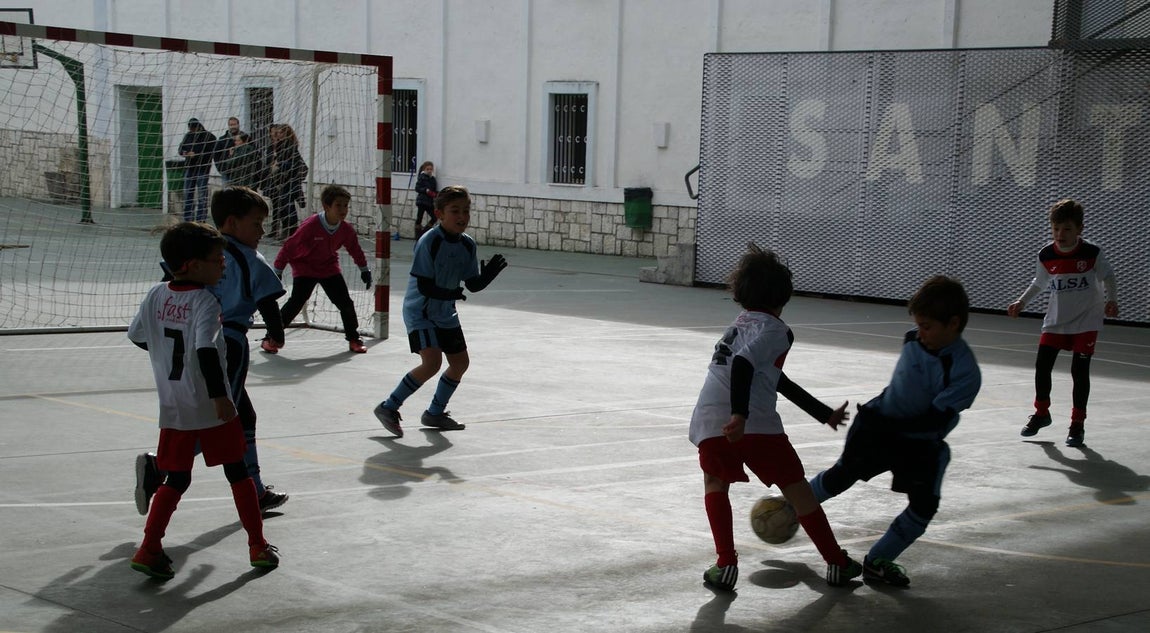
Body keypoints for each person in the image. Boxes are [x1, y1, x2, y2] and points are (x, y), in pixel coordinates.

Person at [689, 244, 862, 592]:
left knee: (714, 484)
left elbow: (774, 378)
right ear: (783, 297)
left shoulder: (738, 325)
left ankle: (725, 564)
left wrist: (821, 412)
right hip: (753, 425)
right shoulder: (777, 330)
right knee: (798, 492)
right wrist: (740, 415)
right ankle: (836, 562)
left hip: (709, 419)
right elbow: (744, 365)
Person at [127, 221, 279, 579]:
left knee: (176, 480)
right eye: (216, 259)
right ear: (192, 265)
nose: (223, 264)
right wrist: (221, 399)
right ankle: (257, 545)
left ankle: (148, 548)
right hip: (211, 405)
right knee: (238, 473)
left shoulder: (155, 294)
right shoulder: (205, 301)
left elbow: (137, 336)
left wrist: (166, 357)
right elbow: (206, 350)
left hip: (173, 406)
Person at [809, 275, 981, 587]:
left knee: (924, 505)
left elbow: (933, 421)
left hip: (918, 442)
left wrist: (894, 430)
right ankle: (793, 504)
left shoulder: (965, 372)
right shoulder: (913, 340)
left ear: (954, 323)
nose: (920, 333)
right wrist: (881, 425)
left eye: (927, 326)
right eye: (918, 325)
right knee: (841, 476)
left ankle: (878, 560)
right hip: (877, 426)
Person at [135, 188, 289, 517]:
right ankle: (159, 468)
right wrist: (277, 332)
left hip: (192, 343)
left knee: (244, 416)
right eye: (257, 223)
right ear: (232, 222)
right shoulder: (249, 259)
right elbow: (267, 301)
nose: (262, 231)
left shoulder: (194, 252)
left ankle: (256, 488)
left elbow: (170, 288)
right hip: (225, 344)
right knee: (219, 419)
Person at [373, 185, 507, 437]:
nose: (462, 216)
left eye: (466, 211)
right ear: (439, 214)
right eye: (455, 210)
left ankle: (435, 412)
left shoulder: (467, 245)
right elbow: (424, 285)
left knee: (460, 363)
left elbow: (472, 285)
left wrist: (488, 276)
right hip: (420, 312)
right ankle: (388, 406)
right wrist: (449, 294)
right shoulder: (430, 242)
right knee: (432, 362)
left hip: (445, 312)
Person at [1008, 199, 1119, 447]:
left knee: (1079, 373)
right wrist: (1021, 302)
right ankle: (1041, 413)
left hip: (1086, 321)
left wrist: (1111, 299)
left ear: (1079, 229)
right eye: (1056, 228)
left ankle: (1077, 425)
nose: (1060, 234)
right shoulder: (1046, 254)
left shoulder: (1091, 253)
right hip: (1056, 321)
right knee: (1042, 366)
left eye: (1067, 229)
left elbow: (1108, 275)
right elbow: (1039, 282)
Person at [265, 184, 372, 354]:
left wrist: (364, 269)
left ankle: (354, 338)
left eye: (346, 205)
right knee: (297, 302)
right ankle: (270, 337)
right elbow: (289, 246)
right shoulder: (311, 225)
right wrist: (277, 270)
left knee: (345, 303)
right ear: (326, 206)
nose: (343, 209)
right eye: (338, 205)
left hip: (328, 267)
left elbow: (355, 249)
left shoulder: (346, 229)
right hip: (305, 266)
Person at [266, 123, 308, 240]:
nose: (277, 135)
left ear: (285, 133)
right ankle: (286, 230)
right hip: (282, 181)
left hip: (290, 180)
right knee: (282, 206)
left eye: (279, 133)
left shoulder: (290, 146)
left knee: (288, 206)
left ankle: (293, 231)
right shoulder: (280, 146)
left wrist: (280, 165)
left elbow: (294, 163)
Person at [177, 118, 216, 222]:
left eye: (192, 128)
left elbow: (211, 153)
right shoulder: (188, 135)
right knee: (188, 194)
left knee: (202, 195)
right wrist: (185, 153)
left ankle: (200, 219)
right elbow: (181, 149)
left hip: (202, 168)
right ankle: (188, 219)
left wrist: (197, 155)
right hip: (190, 168)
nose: (191, 130)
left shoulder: (209, 137)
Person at [213, 116, 245, 184]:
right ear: (228, 126)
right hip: (227, 173)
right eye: (231, 125)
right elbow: (216, 156)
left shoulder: (246, 137)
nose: (233, 127)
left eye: (234, 124)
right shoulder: (222, 140)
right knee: (228, 193)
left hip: (243, 173)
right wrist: (221, 169)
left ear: (238, 125)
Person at [413, 161, 437, 237]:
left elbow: (434, 189)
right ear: (424, 169)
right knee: (419, 217)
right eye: (428, 169)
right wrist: (425, 190)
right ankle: (417, 234)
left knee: (434, 217)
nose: (429, 171)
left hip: (429, 201)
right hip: (422, 201)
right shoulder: (422, 177)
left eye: (431, 169)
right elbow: (417, 188)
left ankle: (425, 232)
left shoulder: (433, 179)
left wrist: (435, 194)